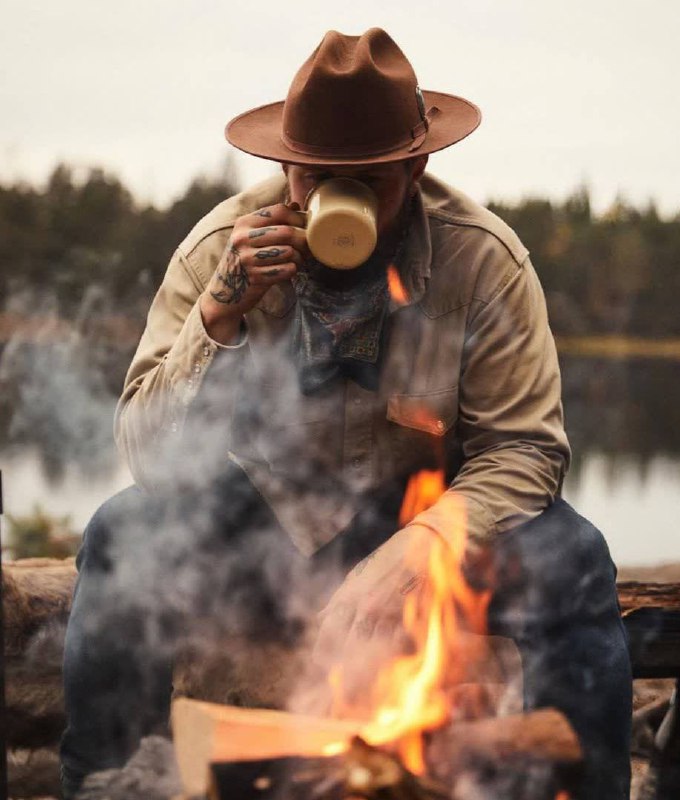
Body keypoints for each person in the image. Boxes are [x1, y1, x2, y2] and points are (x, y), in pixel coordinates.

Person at [60, 28, 632, 800]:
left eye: (367, 181)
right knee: (121, 536)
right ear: (284, 164)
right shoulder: (219, 253)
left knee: (576, 557)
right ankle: (100, 787)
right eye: (314, 178)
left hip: (425, 515)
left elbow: (527, 451)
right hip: (268, 517)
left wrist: (421, 545)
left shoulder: (482, 260)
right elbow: (149, 459)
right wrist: (221, 314)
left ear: (416, 165)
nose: (336, 198)